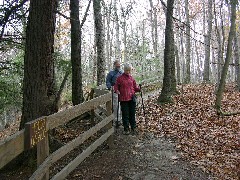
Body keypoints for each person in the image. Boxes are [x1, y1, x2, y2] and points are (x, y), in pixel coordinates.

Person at [114, 64, 141, 135]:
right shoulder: (119, 78)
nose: (128, 72)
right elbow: (116, 86)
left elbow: (135, 87)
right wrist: (116, 90)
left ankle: (133, 127)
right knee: (125, 114)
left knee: (132, 113)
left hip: (132, 98)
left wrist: (139, 89)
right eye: (127, 70)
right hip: (123, 99)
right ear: (124, 70)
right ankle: (126, 128)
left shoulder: (131, 78)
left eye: (129, 70)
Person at [106, 60, 123, 125]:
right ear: (114, 65)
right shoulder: (111, 73)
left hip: (122, 90)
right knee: (115, 105)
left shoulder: (121, 72)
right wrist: (110, 87)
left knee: (122, 104)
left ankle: (121, 118)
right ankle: (116, 119)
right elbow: (107, 81)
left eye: (119, 65)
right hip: (114, 90)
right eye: (117, 65)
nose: (118, 67)